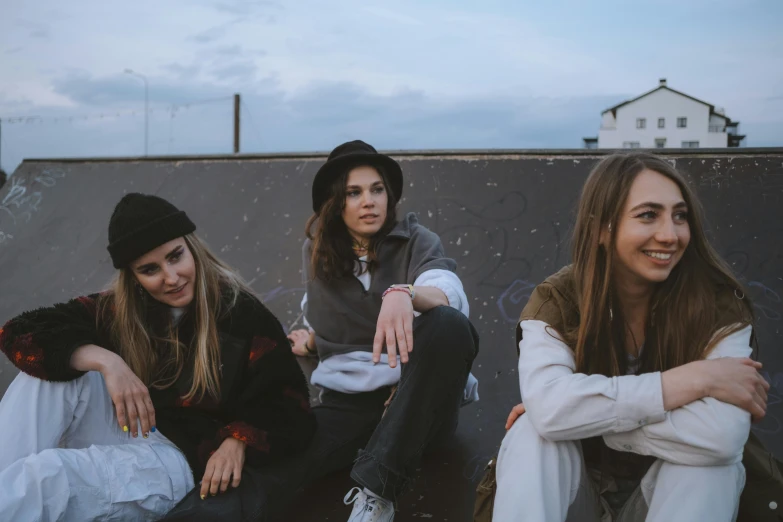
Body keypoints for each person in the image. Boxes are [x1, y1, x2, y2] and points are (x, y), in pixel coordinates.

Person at [0, 193, 315, 521]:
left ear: (191, 247)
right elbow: (18, 333)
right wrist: (108, 362)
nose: (171, 277)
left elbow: (292, 405)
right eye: (150, 269)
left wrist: (238, 438)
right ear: (133, 277)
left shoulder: (241, 314)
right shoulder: (121, 310)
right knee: (43, 378)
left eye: (175, 256)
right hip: (127, 426)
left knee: (47, 477)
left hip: (177, 456)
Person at [492, 152, 771, 521]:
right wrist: (693, 380)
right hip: (579, 498)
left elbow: (722, 435)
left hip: (667, 496)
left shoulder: (717, 304)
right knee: (533, 433)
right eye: (648, 215)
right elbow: (548, 413)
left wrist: (588, 420)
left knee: (713, 463)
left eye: (680, 215)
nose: (670, 235)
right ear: (601, 228)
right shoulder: (560, 299)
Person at [285, 139, 480, 522]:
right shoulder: (317, 252)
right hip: (351, 407)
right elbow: (329, 316)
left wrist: (404, 293)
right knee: (283, 459)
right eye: (354, 193)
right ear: (335, 202)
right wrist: (310, 341)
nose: (368, 201)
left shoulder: (417, 240)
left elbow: (447, 292)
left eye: (376, 190)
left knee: (448, 324)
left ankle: (377, 493)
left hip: (418, 404)